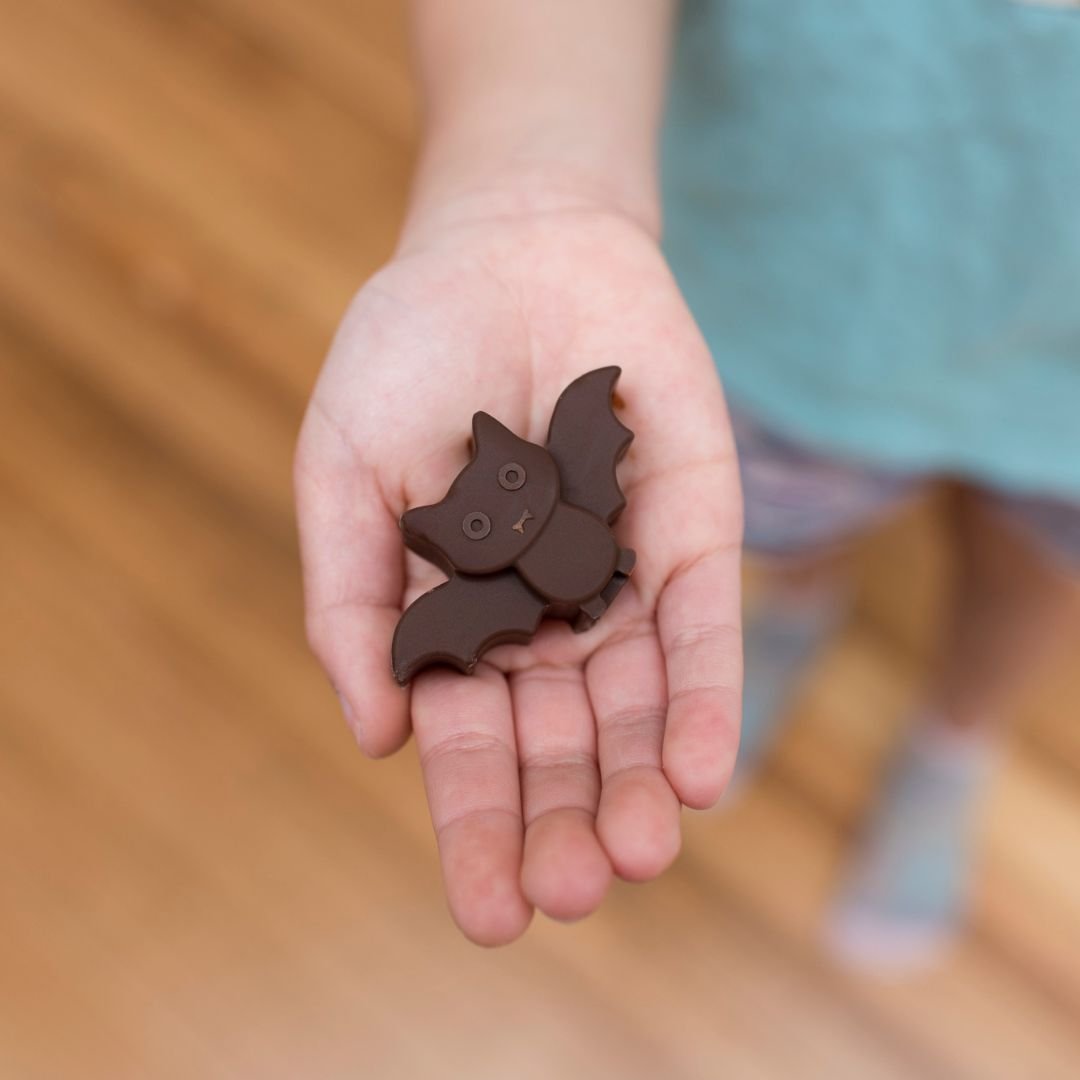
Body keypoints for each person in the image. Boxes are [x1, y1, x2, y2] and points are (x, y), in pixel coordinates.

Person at [294, 1, 1080, 962]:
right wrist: (519, 183)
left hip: (1061, 389)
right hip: (784, 320)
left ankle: (955, 741)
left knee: (1034, 572)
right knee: (784, 520)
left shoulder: (571, 482)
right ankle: (796, 618)